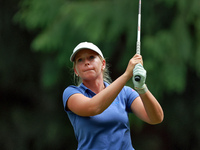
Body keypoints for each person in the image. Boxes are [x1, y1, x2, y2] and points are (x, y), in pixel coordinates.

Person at [62, 42, 164, 150]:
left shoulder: (124, 93)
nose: (86, 62)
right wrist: (126, 75)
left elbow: (156, 118)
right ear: (76, 70)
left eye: (91, 57)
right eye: (80, 60)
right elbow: (93, 108)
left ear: (103, 64)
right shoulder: (71, 93)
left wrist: (142, 88)